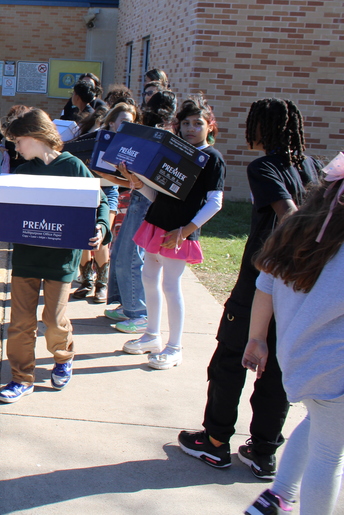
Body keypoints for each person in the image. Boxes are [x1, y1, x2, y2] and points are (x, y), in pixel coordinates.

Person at [179, 99, 318, 479]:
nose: (247, 130)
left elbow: (289, 216)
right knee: (275, 366)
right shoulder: (311, 165)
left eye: (252, 123)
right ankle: (263, 450)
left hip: (260, 281)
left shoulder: (263, 167)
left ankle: (216, 443)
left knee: (229, 360)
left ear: (263, 128)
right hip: (299, 285)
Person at [243, 156, 344, 515]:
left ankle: (279, 495)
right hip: (336, 370)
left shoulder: (296, 230)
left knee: (319, 422)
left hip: (298, 358)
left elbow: (265, 284)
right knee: (331, 453)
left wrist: (257, 338)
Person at [0, 109, 109, 404]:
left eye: (18, 141)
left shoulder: (74, 167)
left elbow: (100, 202)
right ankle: (21, 377)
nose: (15, 148)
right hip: (26, 258)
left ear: (37, 136)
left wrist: (102, 227)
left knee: (53, 319)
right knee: (20, 322)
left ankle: (63, 357)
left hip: (62, 260)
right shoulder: (21, 172)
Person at [122, 95, 225, 370]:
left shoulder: (212, 159)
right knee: (149, 278)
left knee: (171, 285)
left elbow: (215, 202)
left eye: (198, 123)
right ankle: (152, 336)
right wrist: (135, 181)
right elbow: (157, 195)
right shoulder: (176, 153)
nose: (191, 128)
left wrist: (185, 230)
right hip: (156, 224)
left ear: (210, 127)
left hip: (179, 231)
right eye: (186, 123)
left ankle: (174, 346)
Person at [102, 90, 177, 331]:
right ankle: (127, 304)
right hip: (139, 196)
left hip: (147, 201)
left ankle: (138, 312)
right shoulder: (153, 134)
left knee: (132, 255)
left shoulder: (163, 136)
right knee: (121, 251)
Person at [74, 102, 136, 304]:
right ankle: (86, 281)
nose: (127, 126)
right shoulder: (94, 139)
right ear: (111, 123)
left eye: (131, 123)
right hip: (85, 191)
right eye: (124, 121)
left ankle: (102, 284)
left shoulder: (132, 145)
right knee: (82, 236)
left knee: (101, 235)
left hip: (108, 191)